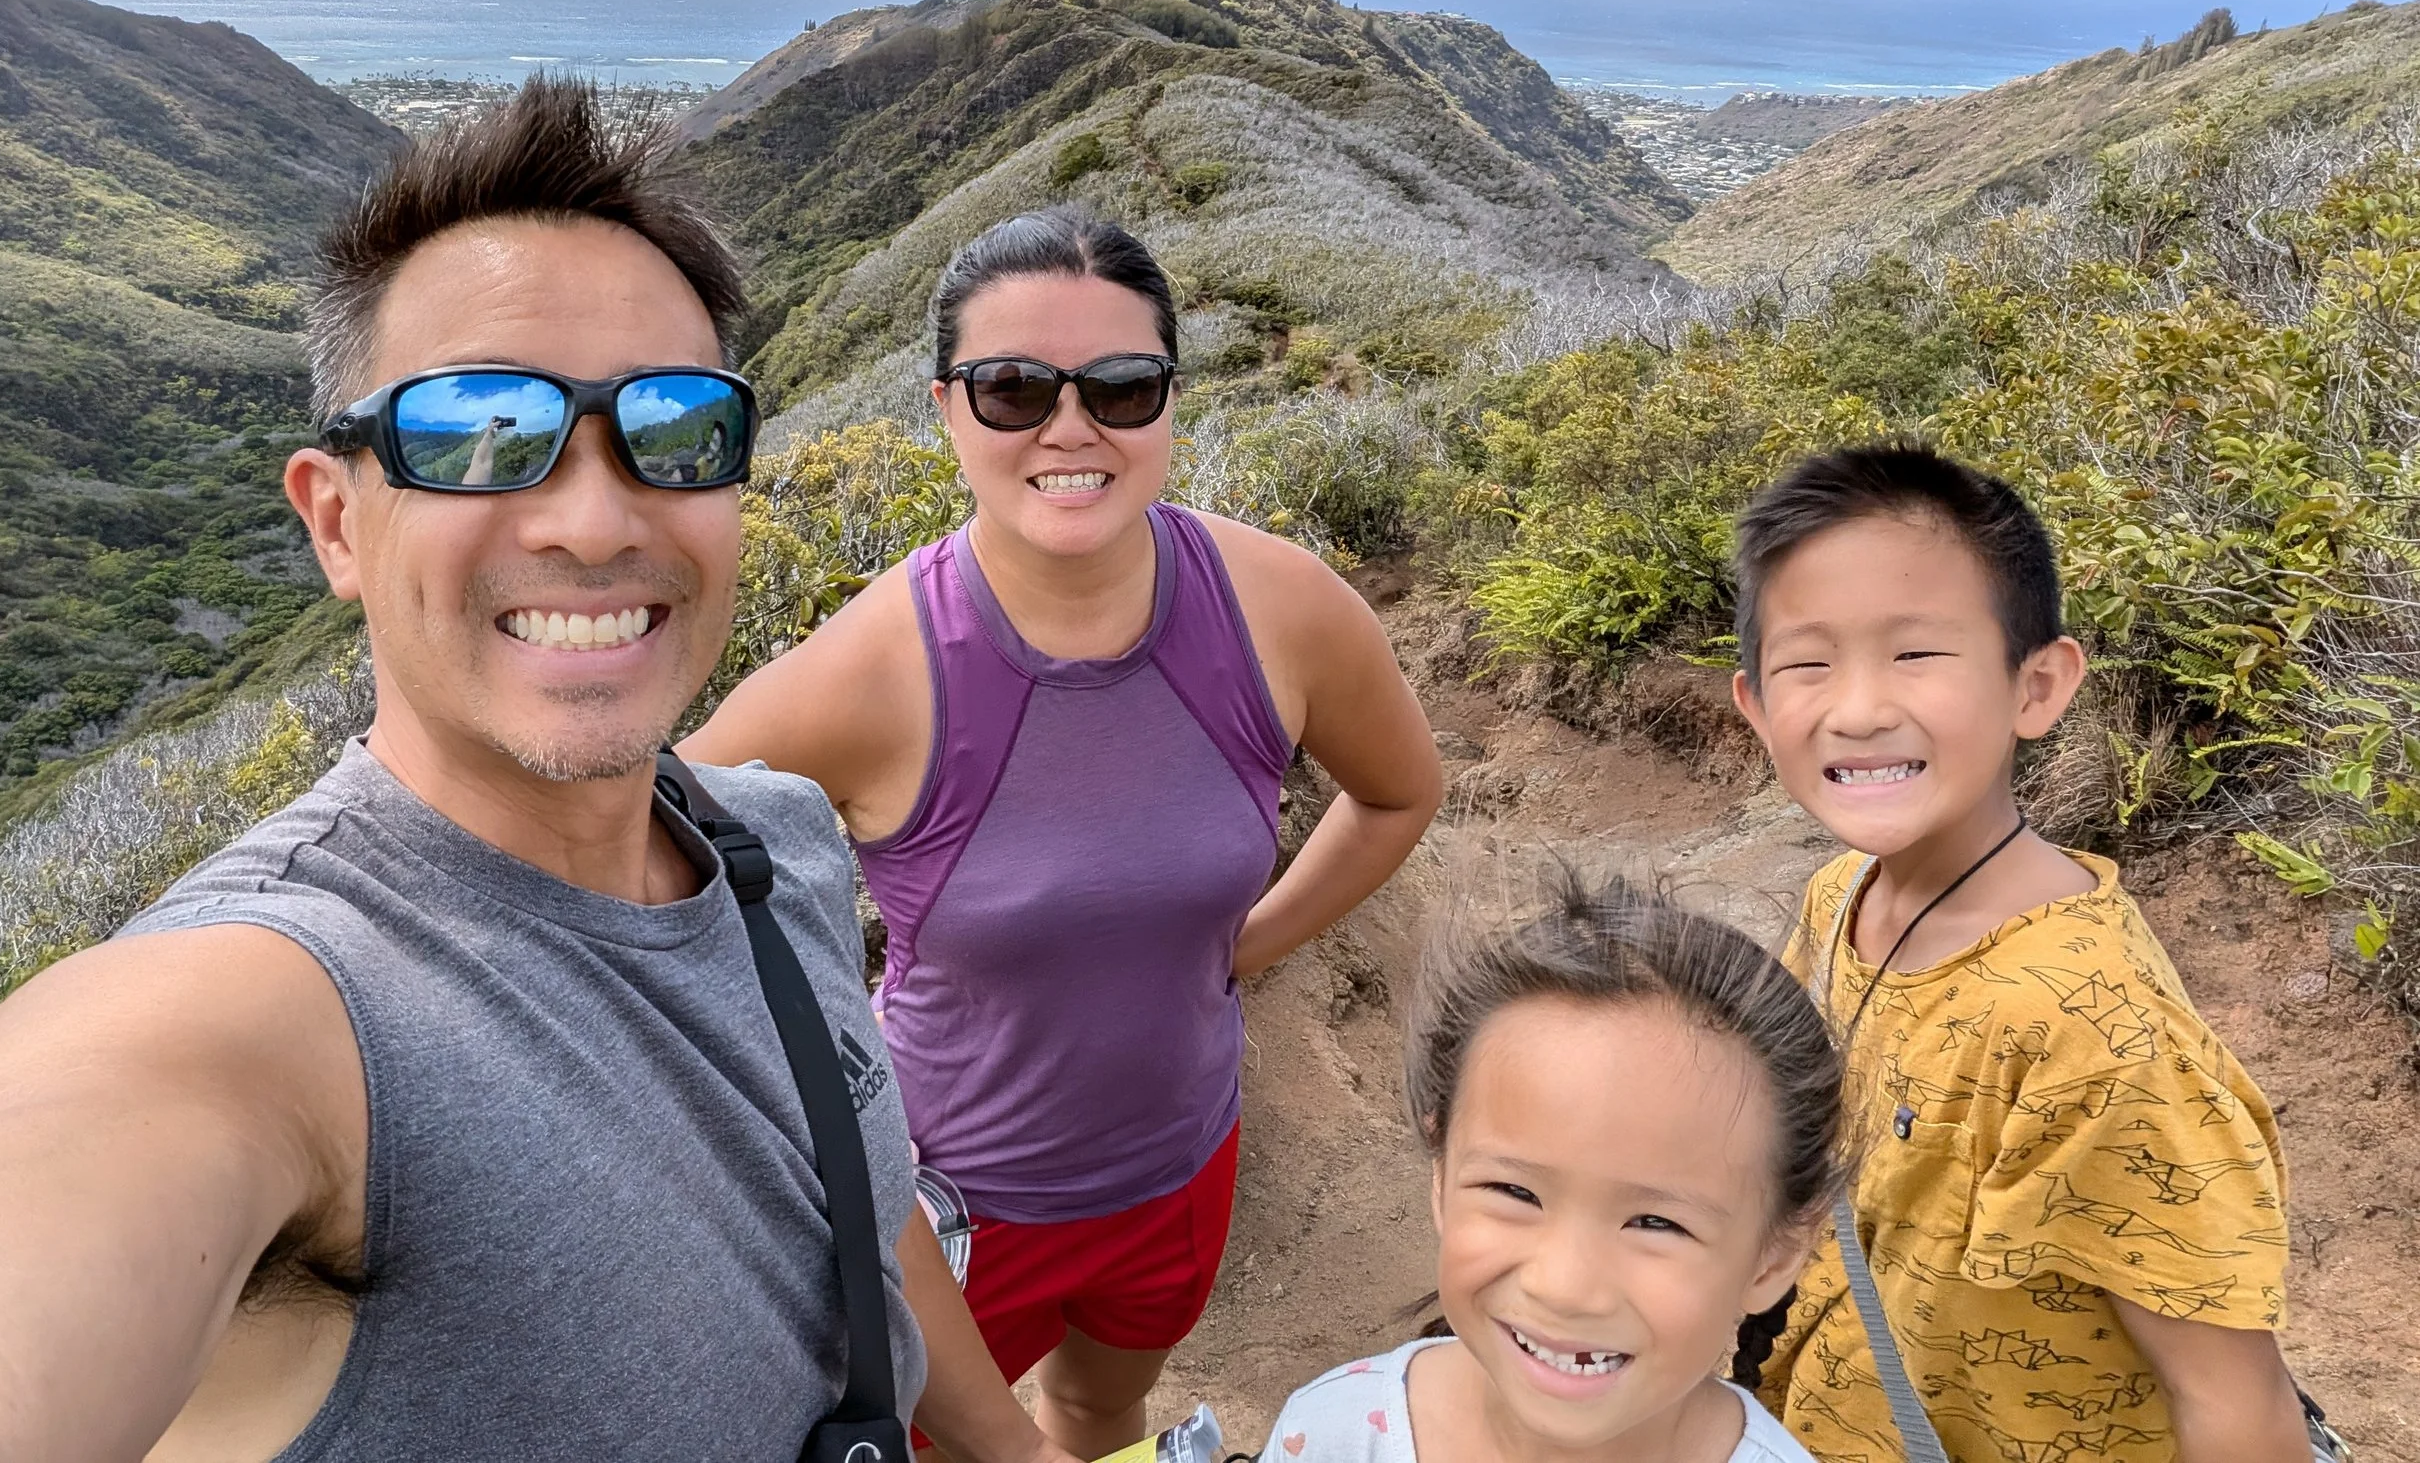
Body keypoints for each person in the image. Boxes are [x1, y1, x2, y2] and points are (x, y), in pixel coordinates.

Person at [0, 81, 1069, 1463]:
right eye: (478, 427)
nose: (594, 517)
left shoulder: (787, 841)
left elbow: (857, 1206)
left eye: (677, 426)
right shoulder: (264, 1010)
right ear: (336, 519)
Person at [685, 211, 1445, 1454]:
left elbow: (1400, 792)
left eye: (1122, 386)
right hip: (949, 1212)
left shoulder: (1279, 608)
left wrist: (1242, 949)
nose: (1069, 426)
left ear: (1168, 403)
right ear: (947, 409)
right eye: (1013, 388)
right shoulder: (872, 671)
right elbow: (635, 859)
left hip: (1183, 1168)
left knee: (1100, 1410)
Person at [1729, 444, 2305, 1463]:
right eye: (1807, 664)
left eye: (1914, 654)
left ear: (2035, 686)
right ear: (1757, 706)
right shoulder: (1836, 899)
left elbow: (2233, 1404)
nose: (1857, 707)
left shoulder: (2089, 1030)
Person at [1264, 871, 1839, 1463]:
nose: (1564, 1287)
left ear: (1776, 1253)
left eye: (1655, 1223)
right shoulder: (1330, 1433)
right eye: (1515, 1190)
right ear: (1440, 1173)